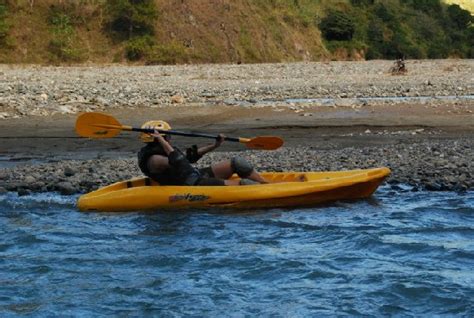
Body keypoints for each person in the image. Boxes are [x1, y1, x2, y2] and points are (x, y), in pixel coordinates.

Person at [137, 120, 268, 186]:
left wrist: (214, 145)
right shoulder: (154, 159)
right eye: (168, 136)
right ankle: (266, 192)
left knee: (237, 163)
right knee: (244, 184)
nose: (170, 139)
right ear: (163, 138)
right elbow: (178, 161)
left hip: (196, 175)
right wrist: (160, 139)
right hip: (191, 185)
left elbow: (188, 157)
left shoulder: (163, 150)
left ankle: (266, 185)